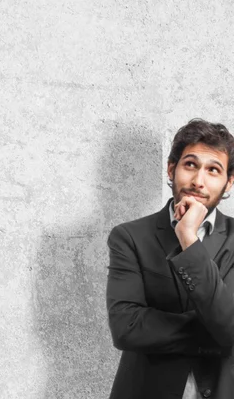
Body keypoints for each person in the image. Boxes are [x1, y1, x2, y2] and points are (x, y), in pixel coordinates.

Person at [106, 119, 234, 399]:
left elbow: (229, 325)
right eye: (190, 165)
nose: (199, 181)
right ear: (171, 169)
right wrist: (217, 335)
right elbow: (126, 328)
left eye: (214, 170)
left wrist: (188, 238)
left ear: (229, 183)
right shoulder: (129, 237)